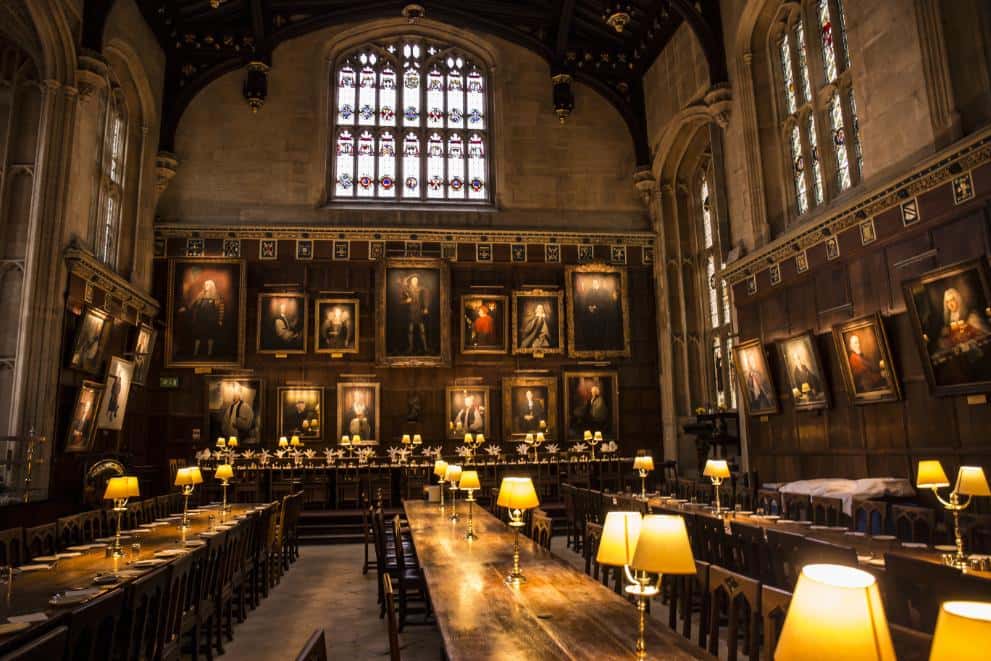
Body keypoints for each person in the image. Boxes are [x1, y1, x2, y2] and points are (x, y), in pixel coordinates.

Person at [937, 287, 991, 351]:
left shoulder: (970, 316)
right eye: (948, 302)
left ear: (957, 299)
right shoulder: (948, 321)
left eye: (952, 300)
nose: (950, 304)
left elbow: (985, 334)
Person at [182, 278, 224, 357]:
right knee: (198, 336)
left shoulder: (216, 298)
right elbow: (192, 306)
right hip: (200, 320)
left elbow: (220, 310)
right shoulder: (200, 296)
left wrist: (220, 320)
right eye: (205, 284)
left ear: (211, 286)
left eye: (207, 284)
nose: (205, 286)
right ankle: (195, 353)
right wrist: (185, 308)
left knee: (210, 337)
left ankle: (209, 353)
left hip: (211, 321)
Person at [581, 277, 620, 349]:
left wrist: (596, 307)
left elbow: (607, 304)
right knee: (592, 333)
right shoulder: (590, 292)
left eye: (595, 282)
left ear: (598, 283)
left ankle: (600, 346)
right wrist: (589, 307)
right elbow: (586, 303)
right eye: (593, 283)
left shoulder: (604, 292)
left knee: (600, 333)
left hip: (601, 317)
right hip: (591, 317)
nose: (594, 284)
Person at [401, 274, 430, 354]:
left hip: (419, 312)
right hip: (411, 312)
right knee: (410, 330)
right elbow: (401, 300)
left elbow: (426, 296)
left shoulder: (421, 289)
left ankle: (425, 347)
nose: (415, 282)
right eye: (413, 280)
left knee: (422, 330)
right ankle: (410, 348)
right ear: (411, 282)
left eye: (416, 280)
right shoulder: (407, 289)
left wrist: (426, 307)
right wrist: (406, 301)